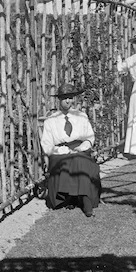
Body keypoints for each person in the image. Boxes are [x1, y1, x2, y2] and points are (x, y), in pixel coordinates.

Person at [40, 82, 101, 217]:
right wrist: (63, 151)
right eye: (64, 98)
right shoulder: (51, 120)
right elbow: (47, 145)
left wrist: (82, 147)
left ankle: (84, 200)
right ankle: (77, 198)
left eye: (70, 98)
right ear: (59, 100)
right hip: (59, 153)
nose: (68, 101)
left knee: (81, 159)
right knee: (76, 160)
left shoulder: (81, 116)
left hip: (79, 149)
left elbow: (90, 137)